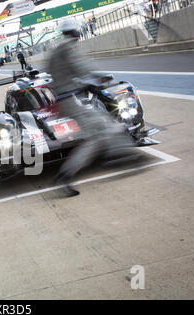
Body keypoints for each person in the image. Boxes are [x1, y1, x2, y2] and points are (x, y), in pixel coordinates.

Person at [47, 20, 136, 196]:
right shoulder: (69, 47)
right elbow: (81, 67)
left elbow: (62, 74)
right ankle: (119, 155)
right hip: (72, 99)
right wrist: (97, 79)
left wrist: (85, 83)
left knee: (97, 132)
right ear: (75, 32)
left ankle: (118, 154)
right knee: (99, 132)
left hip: (65, 100)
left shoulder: (56, 51)